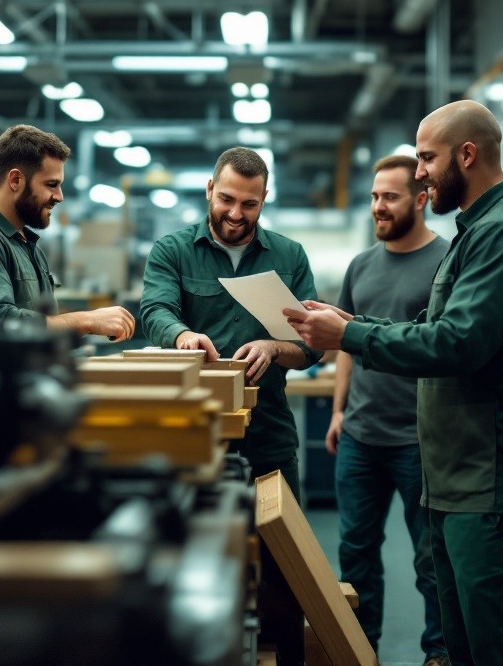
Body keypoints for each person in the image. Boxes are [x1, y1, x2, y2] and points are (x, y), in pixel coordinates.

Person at [285, 100, 503, 666]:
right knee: (466, 645)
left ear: (467, 155)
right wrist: (352, 325)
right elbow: (433, 328)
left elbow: (458, 344)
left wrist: (351, 339)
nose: (418, 173)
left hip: (494, 482)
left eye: (427, 158)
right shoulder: (475, 232)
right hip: (459, 480)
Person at [140, 146, 323, 666]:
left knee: (283, 569)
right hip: (195, 436)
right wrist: (181, 336)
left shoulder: (288, 256)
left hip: (268, 435)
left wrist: (273, 346)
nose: (236, 214)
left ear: (264, 200)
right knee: (195, 561)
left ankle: (285, 655)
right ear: (208, 192)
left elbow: (311, 345)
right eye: (226, 200)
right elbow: (154, 308)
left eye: (250, 204)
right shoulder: (173, 250)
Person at [326, 153, 449, 666]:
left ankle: (439, 654)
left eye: (390, 197)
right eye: (375, 196)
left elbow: (448, 346)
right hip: (359, 435)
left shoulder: (446, 261)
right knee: (355, 554)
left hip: (418, 440)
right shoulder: (361, 266)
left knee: (431, 560)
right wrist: (338, 412)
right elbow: (347, 346)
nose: (379, 206)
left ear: (421, 199)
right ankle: (361, 649)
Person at [0, 124, 135, 340]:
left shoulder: (25, 244)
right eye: (51, 184)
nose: (59, 196)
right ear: (15, 180)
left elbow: (38, 327)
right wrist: (86, 321)